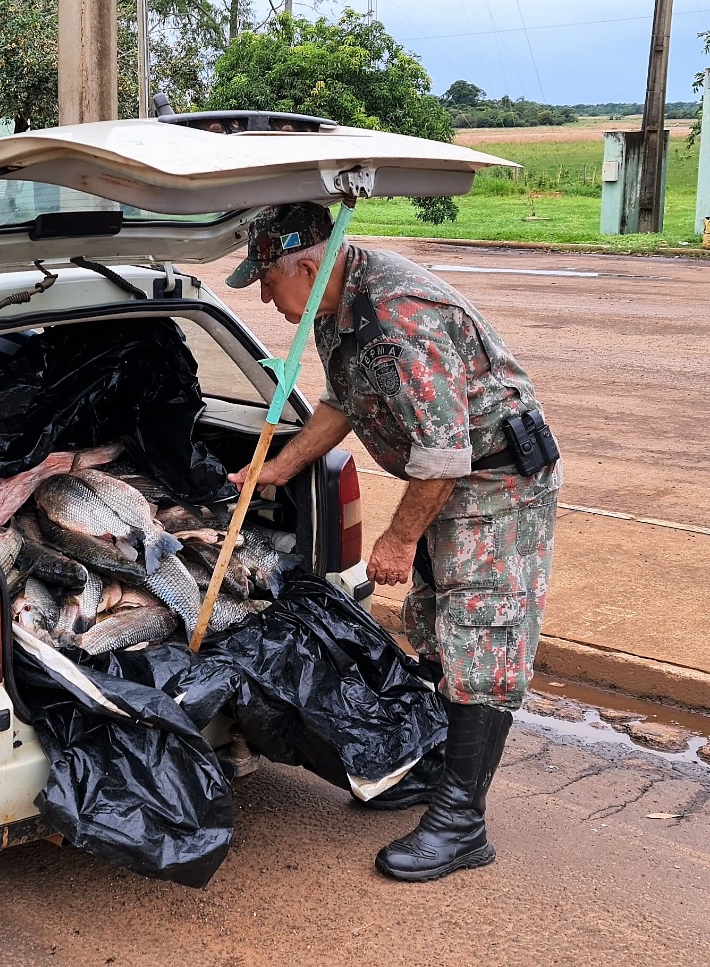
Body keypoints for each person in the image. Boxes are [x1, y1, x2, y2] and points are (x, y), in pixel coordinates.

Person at [225, 202, 559, 882]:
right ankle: (440, 768)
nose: (265, 296)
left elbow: (444, 452)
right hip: (450, 476)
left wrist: (399, 538)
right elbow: (343, 400)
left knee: (479, 636)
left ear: (310, 267)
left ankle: (462, 822)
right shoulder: (333, 306)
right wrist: (282, 465)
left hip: (491, 481)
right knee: (435, 627)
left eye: (267, 281)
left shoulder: (398, 318)